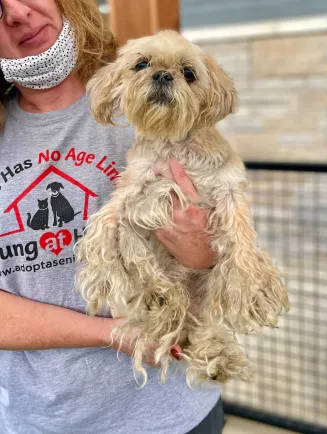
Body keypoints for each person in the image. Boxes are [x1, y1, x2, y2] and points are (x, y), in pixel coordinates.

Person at [0, 1, 226, 433]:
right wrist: (113, 332)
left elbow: (216, 256)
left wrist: (200, 249)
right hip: (40, 420)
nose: (17, 14)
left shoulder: (150, 103)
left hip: (174, 413)